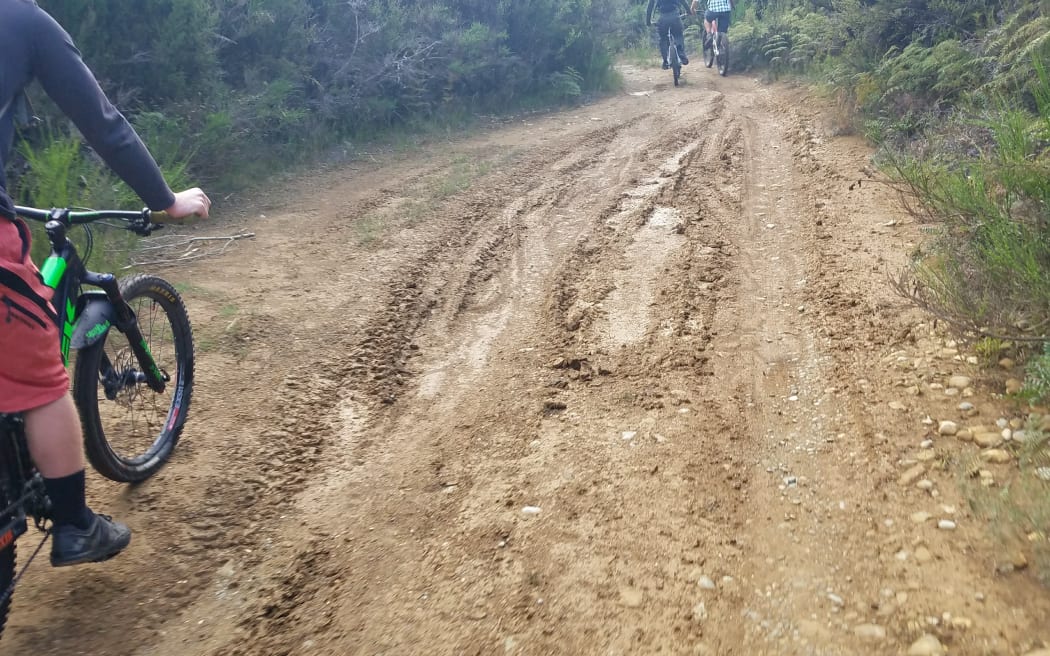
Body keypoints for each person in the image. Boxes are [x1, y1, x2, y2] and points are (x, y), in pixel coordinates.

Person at [1, 0, 211, 567]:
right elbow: (102, 124)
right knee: (42, 378)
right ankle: (75, 525)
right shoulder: (21, 19)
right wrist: (164, 201)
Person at [646, 0, 694, 70]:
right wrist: (689, 12)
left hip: (663, 18)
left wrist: (648, 22)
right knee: (678, 35)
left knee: (663, 39)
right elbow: (683, 2)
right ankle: (681, 53)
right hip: (675, 16)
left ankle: (665, 61)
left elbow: (650, 7)